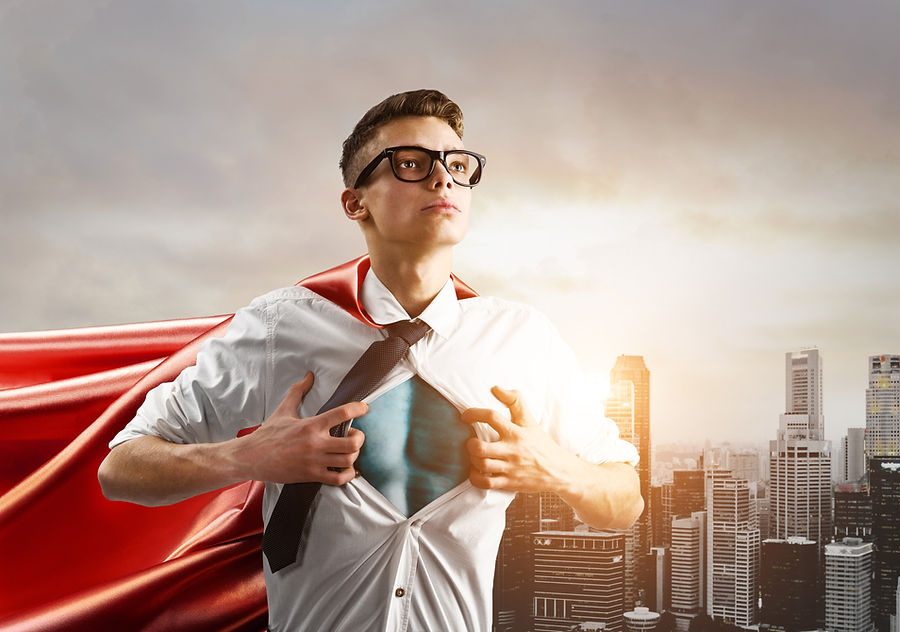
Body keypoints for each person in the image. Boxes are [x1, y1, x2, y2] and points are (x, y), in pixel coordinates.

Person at [98, 89, 643, 632]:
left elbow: (624, 503)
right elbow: (121, 469)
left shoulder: (524, 340)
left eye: (457, 164)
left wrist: (558, 471)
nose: (442, 178)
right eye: (411, 164)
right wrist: (248, 458)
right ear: (355, 203)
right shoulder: (277, 328)